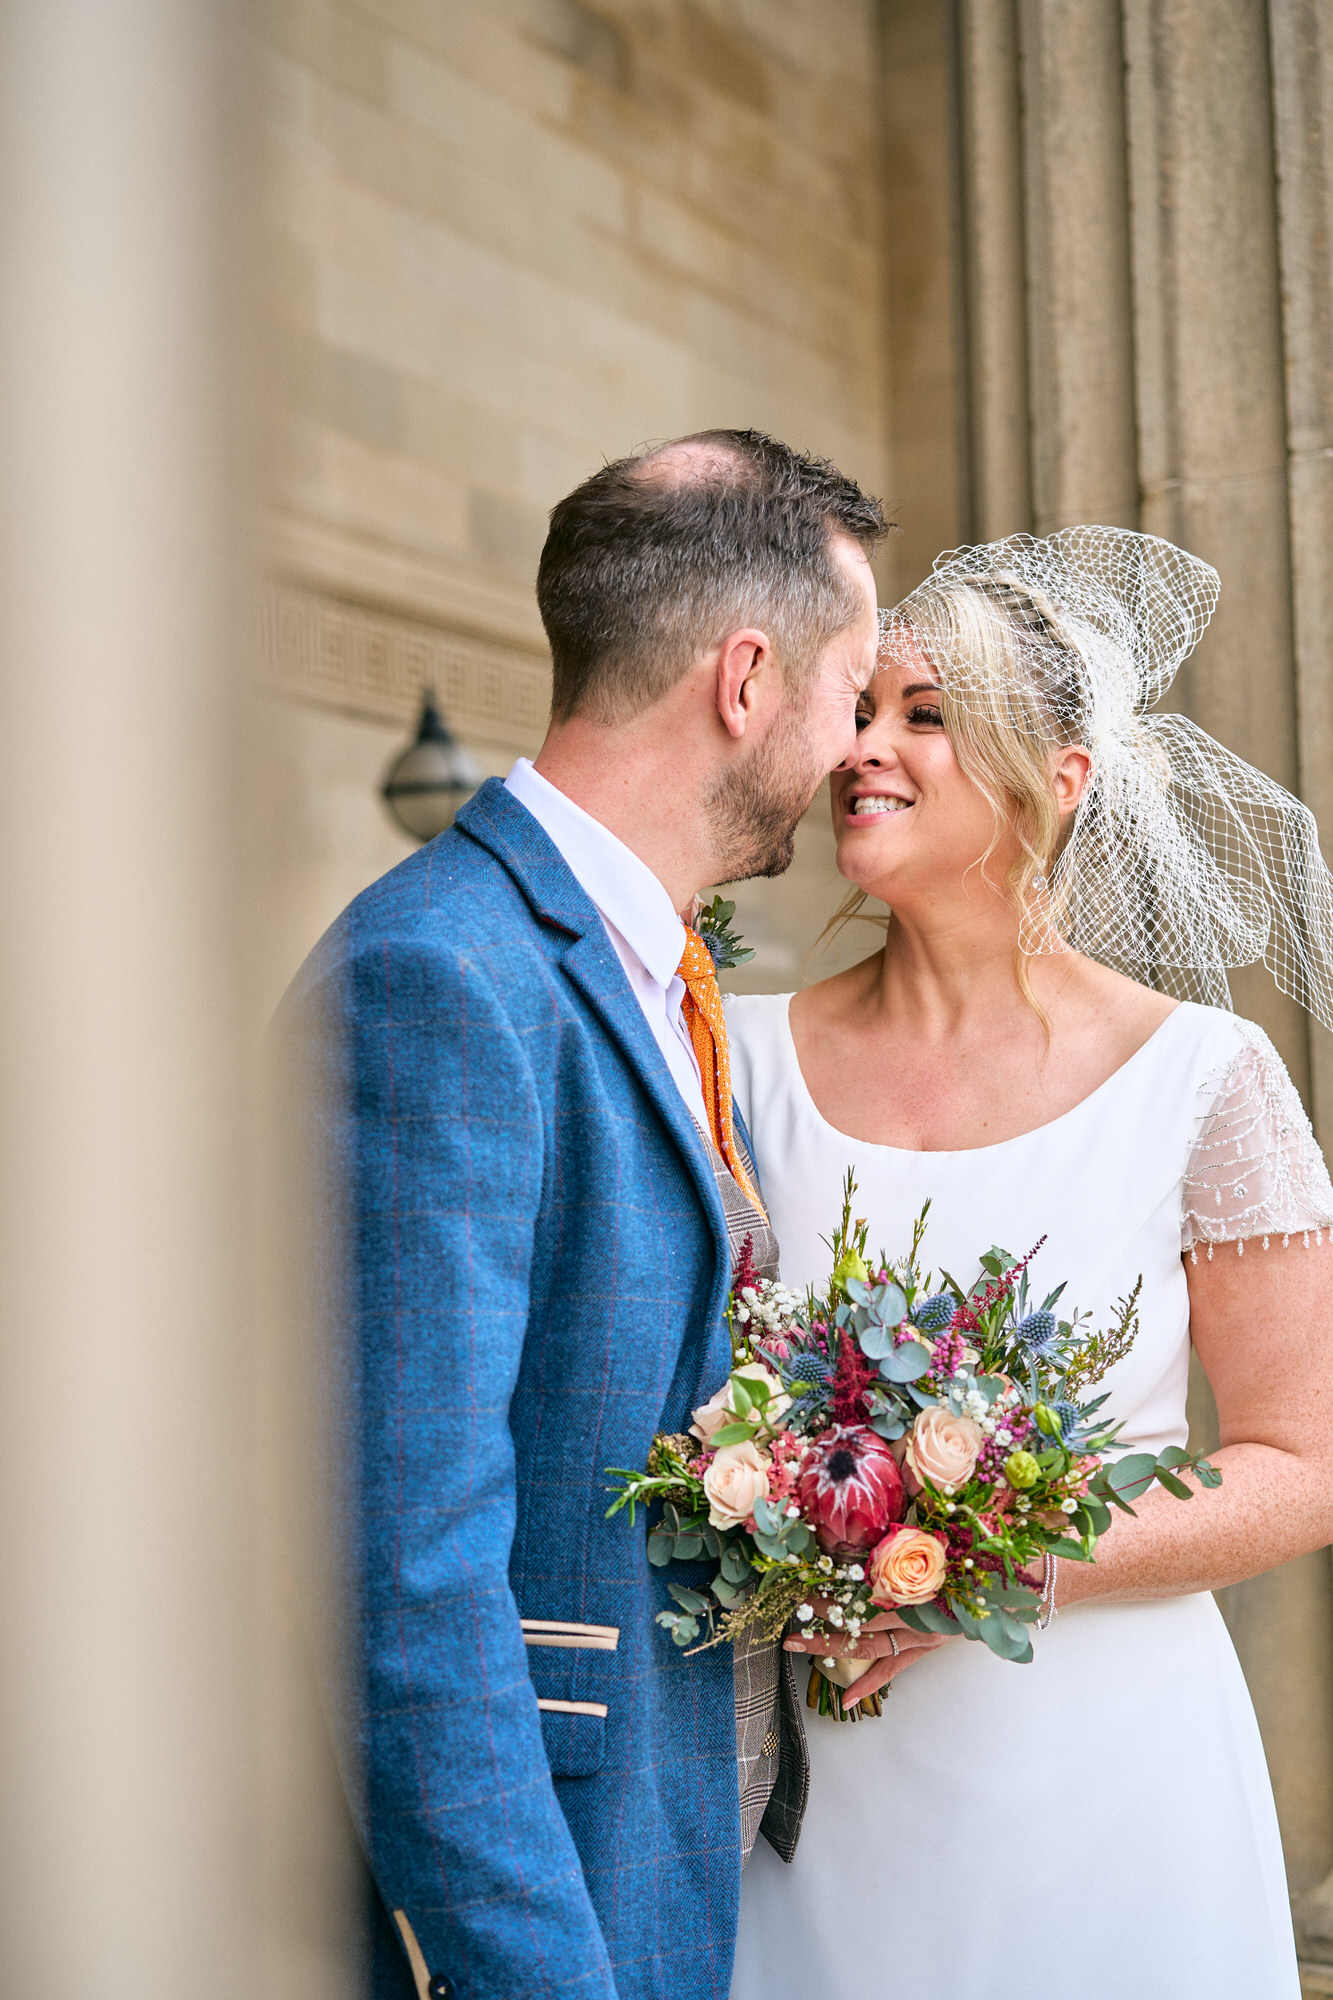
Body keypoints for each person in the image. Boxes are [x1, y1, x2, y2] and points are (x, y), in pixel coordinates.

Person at [285, 429, 887, 2000]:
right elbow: (399, 1569)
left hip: (677, 1841)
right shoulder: (440, 977)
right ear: (745, 680)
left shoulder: (651, 970)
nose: (853, 749)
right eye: (850, 690)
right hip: (546, 1887)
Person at [726, 528, 1333, 1998]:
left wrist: (990, 1568)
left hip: (1103, 1764)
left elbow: (1300, 1462)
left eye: (925, 716)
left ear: (1061, 778)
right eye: (860, 710)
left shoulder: (1201, 1074)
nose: (867, 747)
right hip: (815, 1780)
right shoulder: (731, 1053)